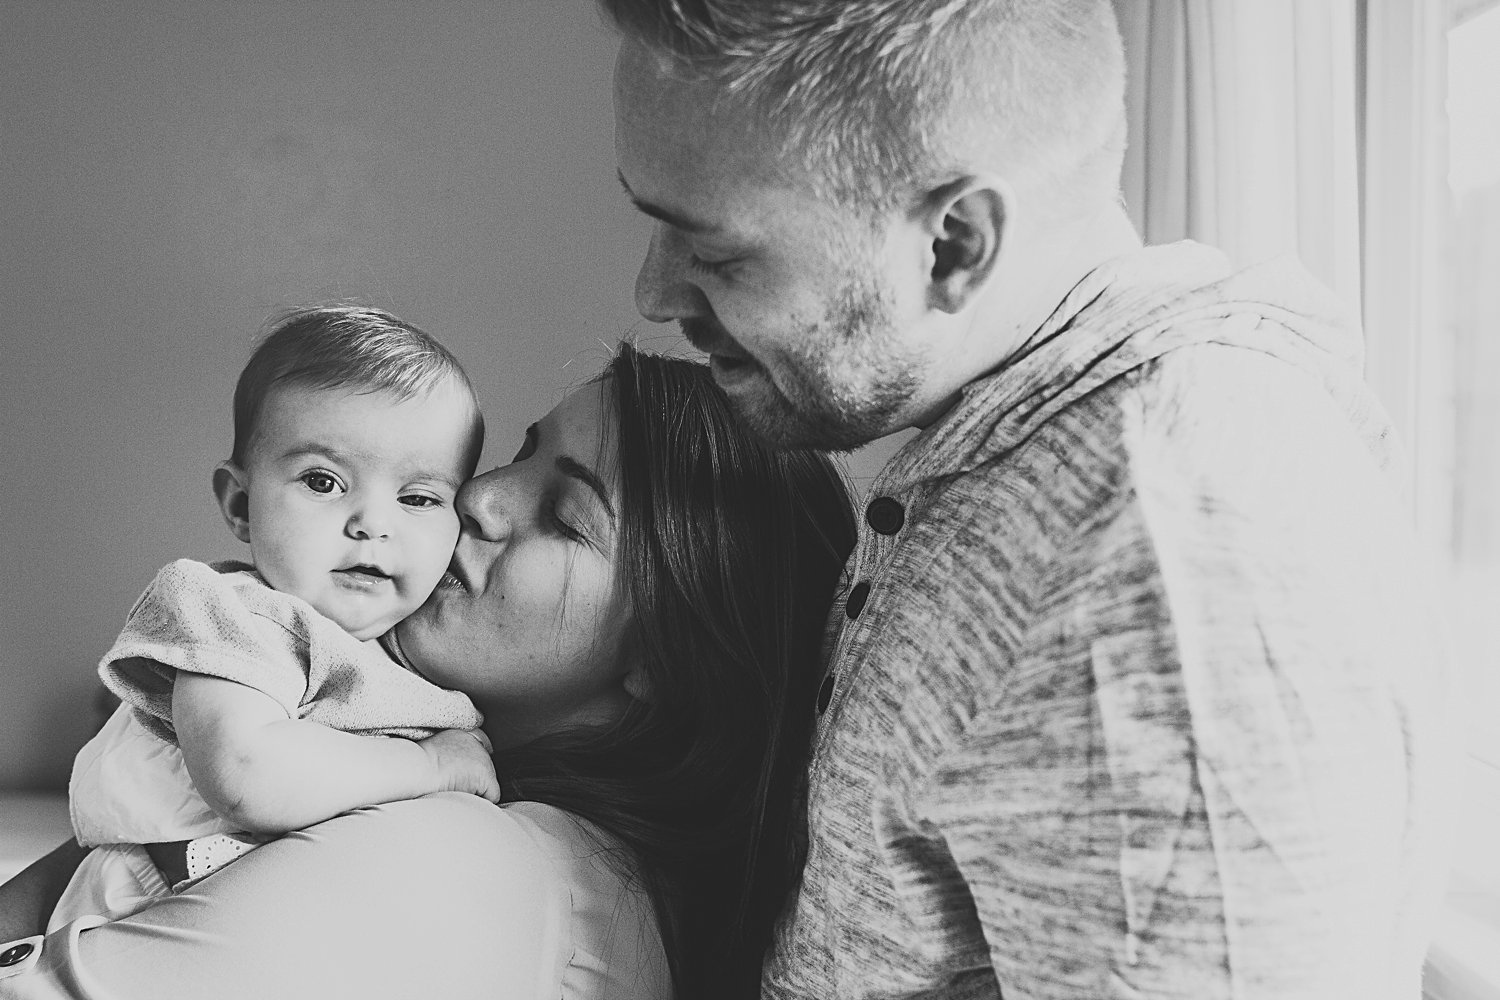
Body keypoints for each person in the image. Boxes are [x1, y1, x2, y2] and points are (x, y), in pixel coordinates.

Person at [603, 1, 1457, 998]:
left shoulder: (1165, 535)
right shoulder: (1004, 460)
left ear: (956, 242)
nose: (653, 292)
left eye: (713, 250)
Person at [0, 344, 857, 1000]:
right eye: (520, 452)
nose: (477, 500)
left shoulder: (471, 867)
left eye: (564, 516)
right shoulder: (426, 782)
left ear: (668, 664)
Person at [39, 305, 498, 933]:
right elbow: (244, 772)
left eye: (417, 498)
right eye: (323, 481)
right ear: (240, 502)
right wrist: (433, 768)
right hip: (143, 913)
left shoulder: (431, 660)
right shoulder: (236, 611)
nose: (371, 523)